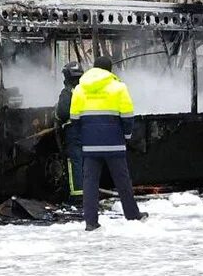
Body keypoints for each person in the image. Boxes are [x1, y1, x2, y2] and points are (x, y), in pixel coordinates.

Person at [70, 55, 147, 231]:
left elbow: (74, 118)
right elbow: (128, 116)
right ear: (110, 69)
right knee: (122, 181)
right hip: (114, 143)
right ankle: (132, 214)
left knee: (90, 183)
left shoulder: (80, 89)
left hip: (90, 145)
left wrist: (83, 137)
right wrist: (126, 136)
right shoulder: (119, 87)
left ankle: (91, 222)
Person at [54, 61, 84, 208]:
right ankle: (89, 191)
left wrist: (57, 118)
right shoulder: (87, 90)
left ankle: (78, 195)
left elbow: (63, 113)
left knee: (75, 162)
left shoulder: (67, 92)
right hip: (89, 129)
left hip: (73, 130)